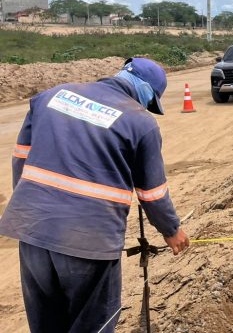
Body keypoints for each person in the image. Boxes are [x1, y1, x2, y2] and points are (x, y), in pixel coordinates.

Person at [0, 57, 190, 332]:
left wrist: (34, 206)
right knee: (92, 324)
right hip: (90, 241)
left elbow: (21, 160)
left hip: (33, 231)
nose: (146, 107)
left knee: (47, 323)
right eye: (149, 102)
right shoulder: (141, 122)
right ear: (146, 92)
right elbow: (152, 193)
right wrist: (171, 230)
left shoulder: (51, 97)